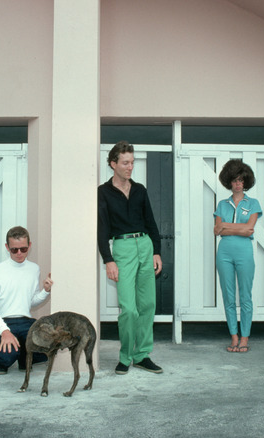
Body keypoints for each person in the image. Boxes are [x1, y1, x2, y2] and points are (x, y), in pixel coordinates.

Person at [97, 141, 163, 375]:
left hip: (145, 244)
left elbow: (151, 223)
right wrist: (108, 259)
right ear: (113, 163)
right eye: (125, 162)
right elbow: (102, 229)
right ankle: (125, 356)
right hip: (122, 247)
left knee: (147, 306)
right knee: (128, 309)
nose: (130, 167)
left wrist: (156, 251)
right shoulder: (103, 192)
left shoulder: (140, 190)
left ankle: (142, 355)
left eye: (132, 162)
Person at [0, 226, 53, 374]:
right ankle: (8, 358)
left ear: (30, 246)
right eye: (14, 250)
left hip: (25, 322)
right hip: (3, 321)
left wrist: (45, 291)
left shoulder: (34, 268)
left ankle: (24, 355)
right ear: (7, 247)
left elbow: (31, 301)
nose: (19, 253)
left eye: (23, 249)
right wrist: (4, 331)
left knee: (49, 348)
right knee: (7, 356)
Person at [214, 159, 262, 353]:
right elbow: (217, 230)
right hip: (224, 252)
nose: (238, 184)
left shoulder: (253, 203)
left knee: (245, 296)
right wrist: (236, 228)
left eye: (241, 180)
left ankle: (244, 338)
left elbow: (249, 229)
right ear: (229, 182)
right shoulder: (222, 204)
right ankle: (233, 336)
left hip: (244, 252)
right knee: (228, 295)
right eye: (234, 180)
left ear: (246, 181)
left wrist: (227, 226)